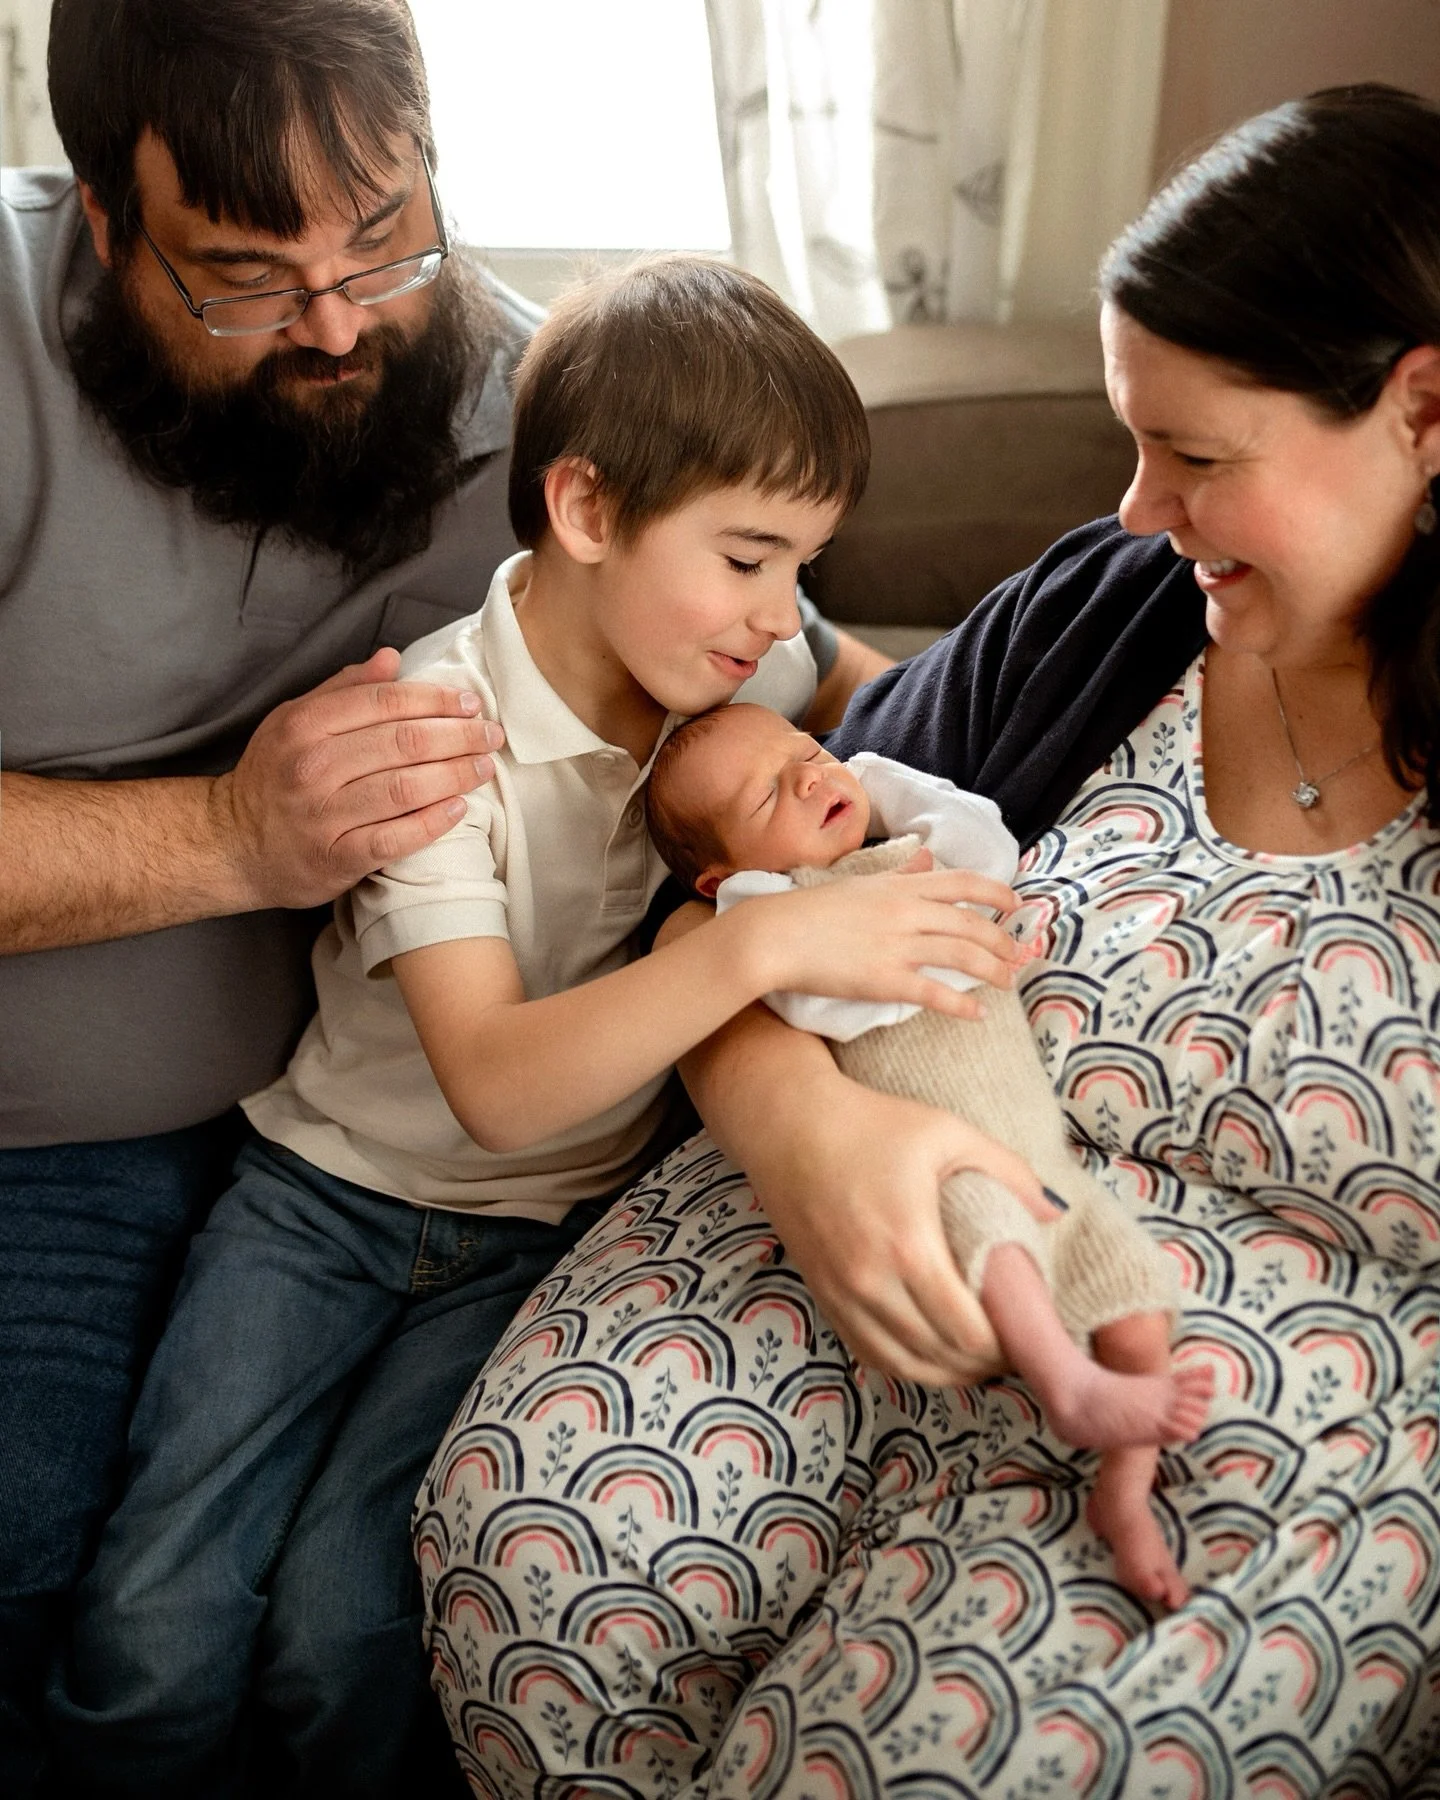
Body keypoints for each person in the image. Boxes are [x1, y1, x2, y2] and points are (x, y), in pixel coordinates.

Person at [416, 83, 1440, 1795]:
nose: (1131, 509)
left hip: (1244, 1405)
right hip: (852, 1223)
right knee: (530, 1547)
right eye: (1132, 441)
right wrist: (803, 1125)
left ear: (1423, 408)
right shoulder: (1113, 614)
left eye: (1193, 456)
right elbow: (743, 863)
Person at [0, 3, 885, 1792]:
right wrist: (232, 843)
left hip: (451, 1195)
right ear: (104, 217)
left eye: (389, 233)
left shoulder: (535, 405)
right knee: (82, 1612)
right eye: (246, 274)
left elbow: (829, 668)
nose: (342, 322)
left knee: (355, 1620)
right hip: (69, 1164)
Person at [645, 700, 1214, 1607]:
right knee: (997, 1239)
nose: (808, 776)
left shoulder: (919, 846)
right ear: (723, 880)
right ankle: (1066, 1384)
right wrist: (835, 929)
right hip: (946, 1156)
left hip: (1041, 1155)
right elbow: (806, 1000)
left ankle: (1126, 1488)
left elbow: (986, 844)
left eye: (808, 752)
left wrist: (874, 781)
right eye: (767, 798)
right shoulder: (784, 916)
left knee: (1132, 1291)